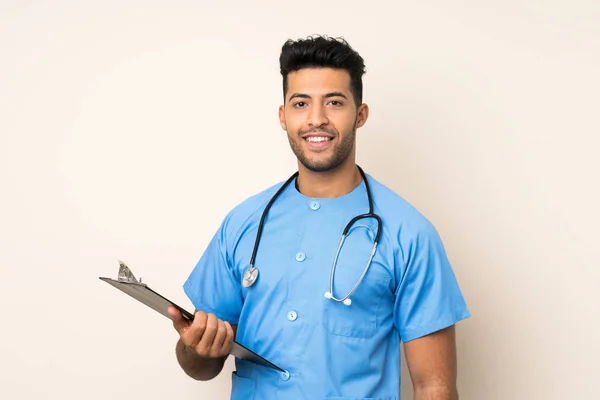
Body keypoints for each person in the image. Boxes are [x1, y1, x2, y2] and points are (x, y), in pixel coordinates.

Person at [167, 35, 470, 400]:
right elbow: (201, 366)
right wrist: (194, 348)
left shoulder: (409, 234)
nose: (316, 119)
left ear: (360, 114)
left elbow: (433, 386)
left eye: (335, 102)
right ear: (283, 116)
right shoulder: (243, 223)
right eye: (300, 103)